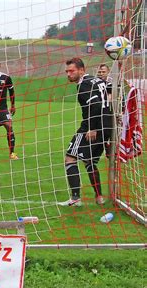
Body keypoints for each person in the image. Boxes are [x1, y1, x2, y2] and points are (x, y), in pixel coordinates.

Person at [58, 57, 110, 207]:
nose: (68, 74)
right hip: (107, 125)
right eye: (67, 71)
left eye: (72, 71)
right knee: (90, 161)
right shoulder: (98, 81)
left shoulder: (84, 84)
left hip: (92, 126)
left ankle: (75, 199)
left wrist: (91, 127)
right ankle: (99, 197)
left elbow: (95, 104)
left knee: (70, 157)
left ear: (82, 70)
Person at [96, 63, 114, 158]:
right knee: (100, 132)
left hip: (108, 111)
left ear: (108, 72)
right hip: (98, 111)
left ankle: (109, 149)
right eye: (100, 72)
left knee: (108, 131)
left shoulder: (111, 84)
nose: (101, 73)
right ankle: (104, 148)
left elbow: (111, 98)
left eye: (103, 72)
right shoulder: (95, 84)